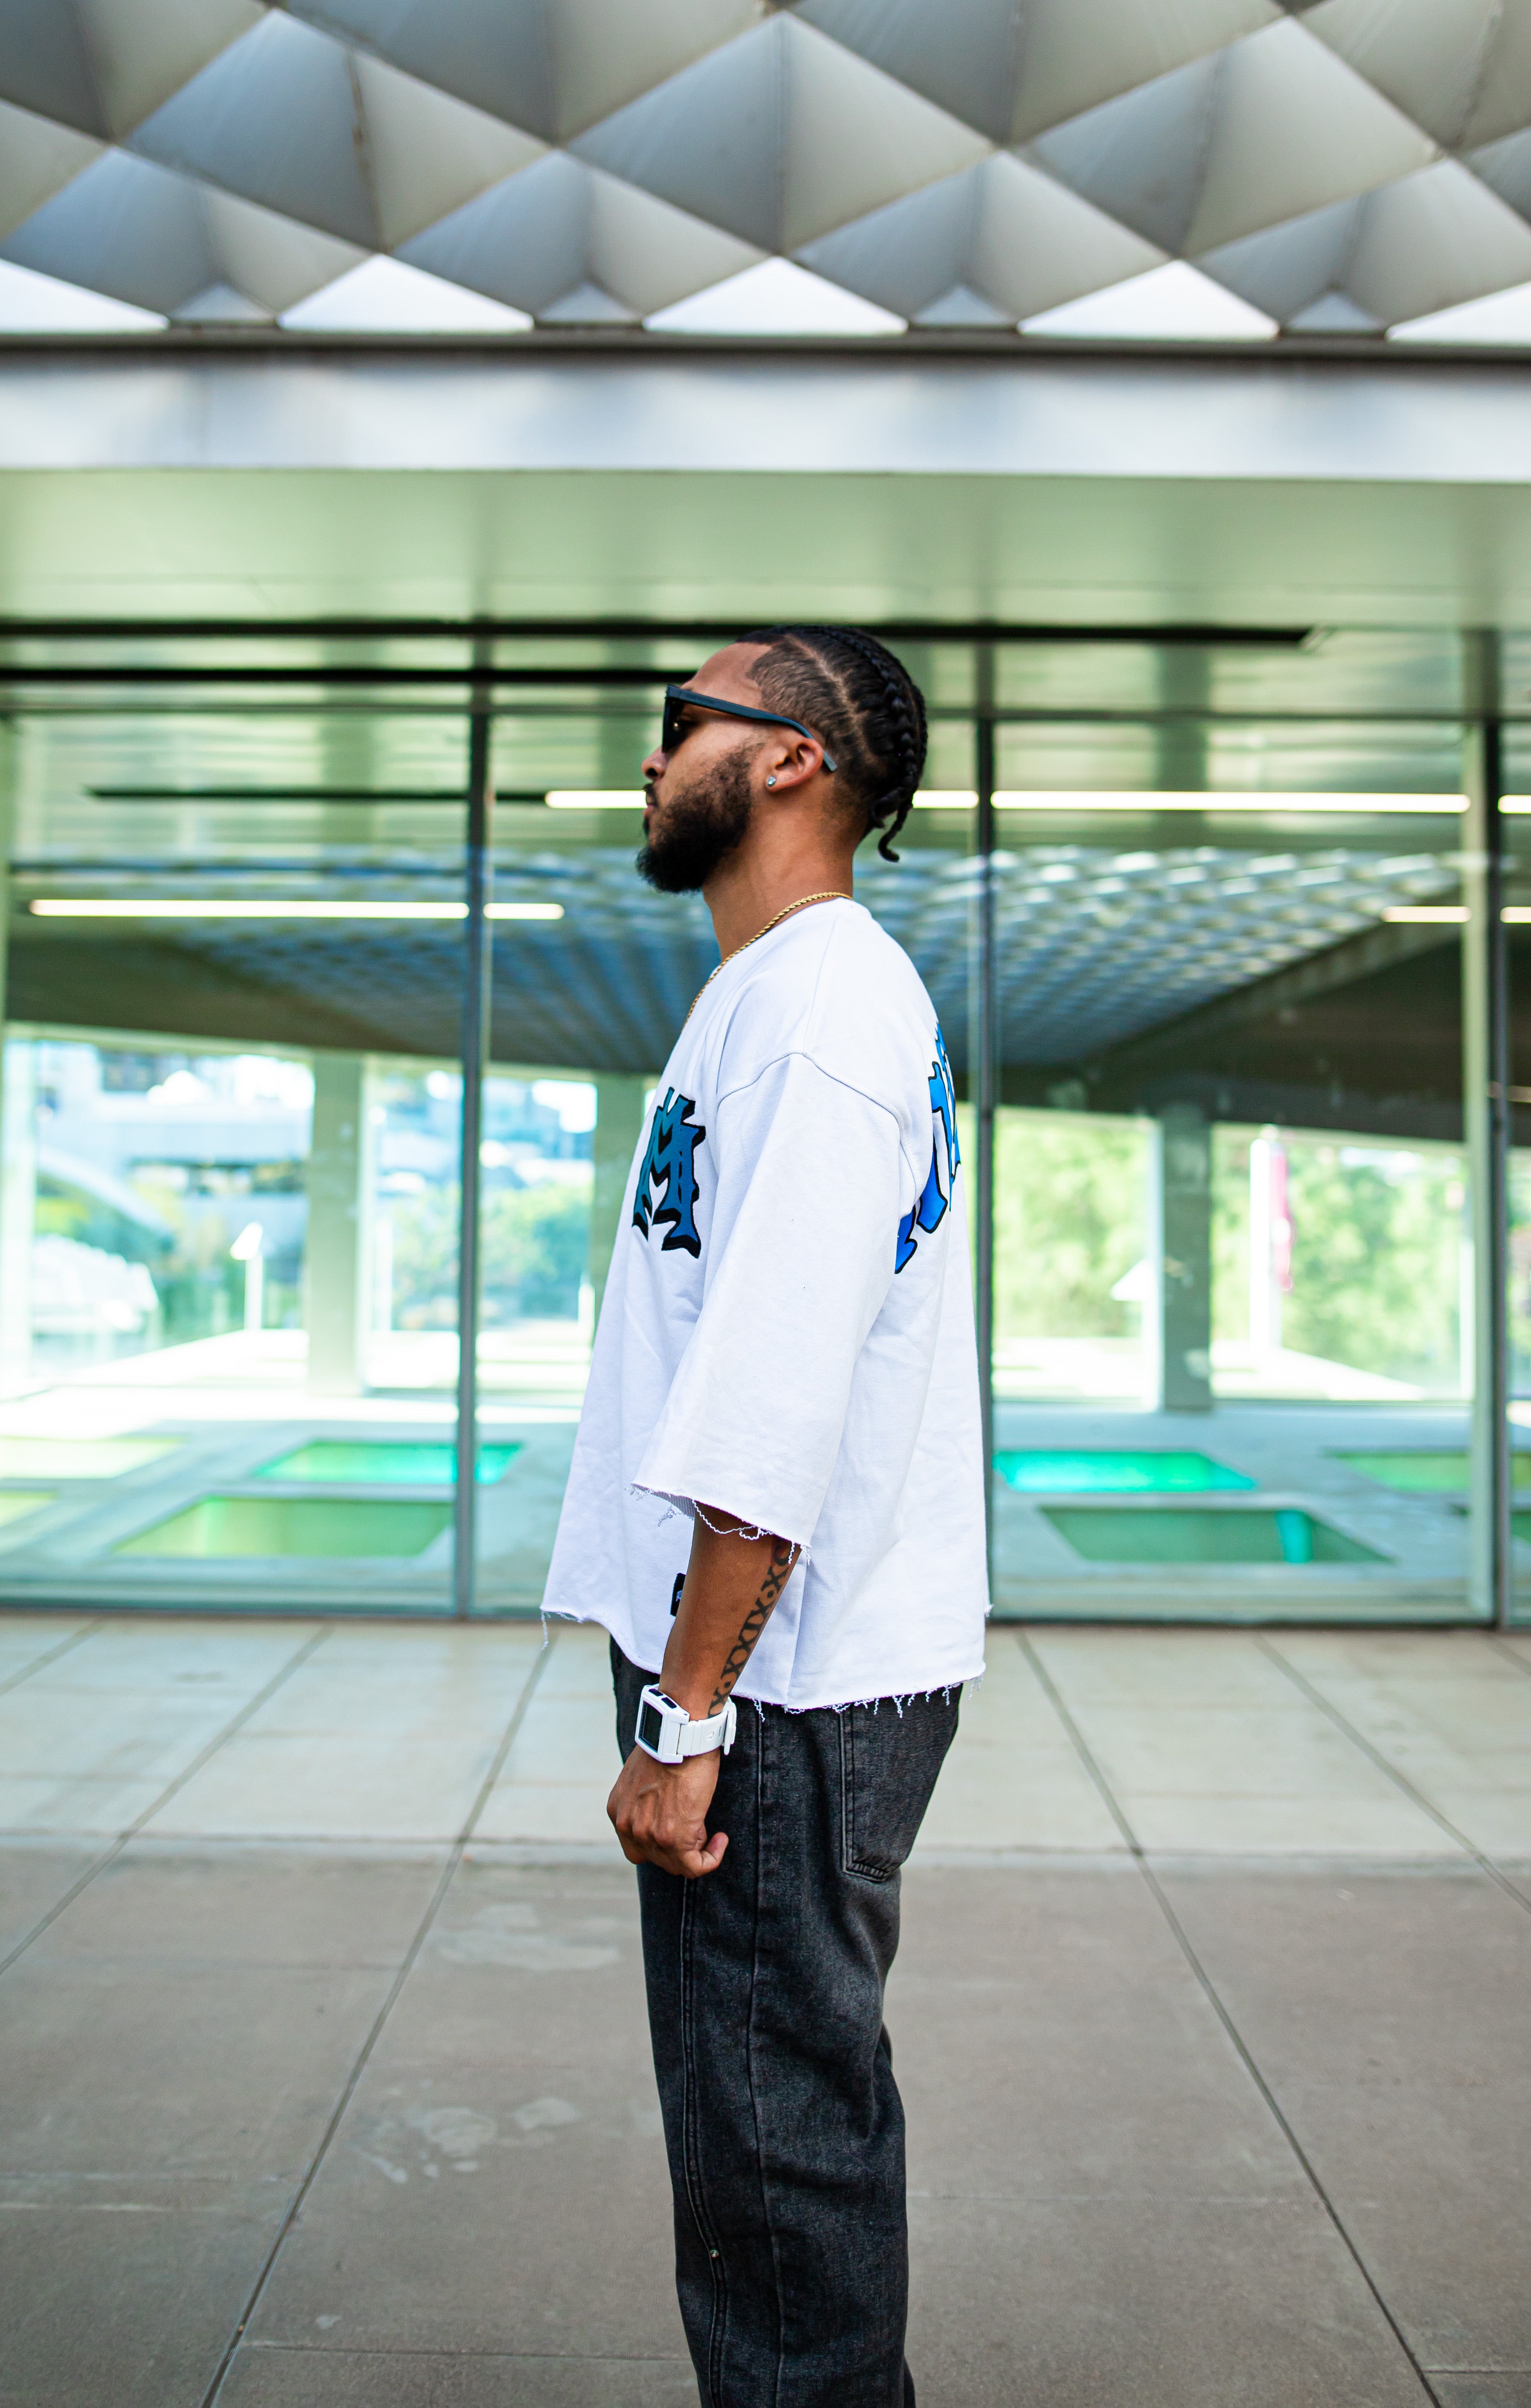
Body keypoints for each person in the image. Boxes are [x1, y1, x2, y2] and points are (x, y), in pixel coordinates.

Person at [542, 624, 988, 2407]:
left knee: (771, 2181)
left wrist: (686, 1714)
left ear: (792, 758)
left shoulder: (817, 1014)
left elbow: (773, 1406)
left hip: (777, 1693)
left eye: (679, 723)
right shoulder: (767, 995)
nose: (649, 759)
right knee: (767, 2146)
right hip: (765, 1676)